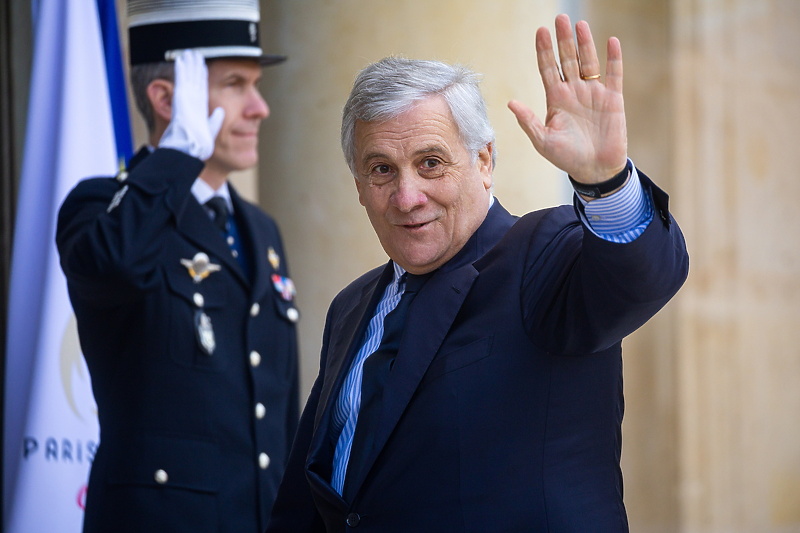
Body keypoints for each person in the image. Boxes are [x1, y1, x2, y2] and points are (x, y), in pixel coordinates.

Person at [266, 14, 688, 533]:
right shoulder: (351, 307)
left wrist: (603, 182)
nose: (407, 196)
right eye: (381, 170)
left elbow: (642, 276)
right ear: (358, 185)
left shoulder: (544, 255)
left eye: (430, 163)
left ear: (484, 161)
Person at [55, 1, 299, 532]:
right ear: (166, 99)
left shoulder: (261, 229)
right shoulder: (101, 207)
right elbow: (116, 265)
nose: (260, 107)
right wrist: (177, 156)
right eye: (236, 84)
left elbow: (279, 410)